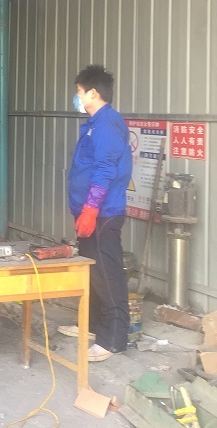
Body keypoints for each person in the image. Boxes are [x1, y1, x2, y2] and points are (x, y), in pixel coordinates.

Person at [59, 65, 132, 362]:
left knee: (107, 273)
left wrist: (91, 208)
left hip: (103, 214)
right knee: (91, 270)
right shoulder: (95, 123)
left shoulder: (107, 125)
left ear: (92, 93)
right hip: (88, 212)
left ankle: (114, 338)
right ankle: (91, 325)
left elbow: (104, 169)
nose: (76, 97)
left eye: (78, 92)